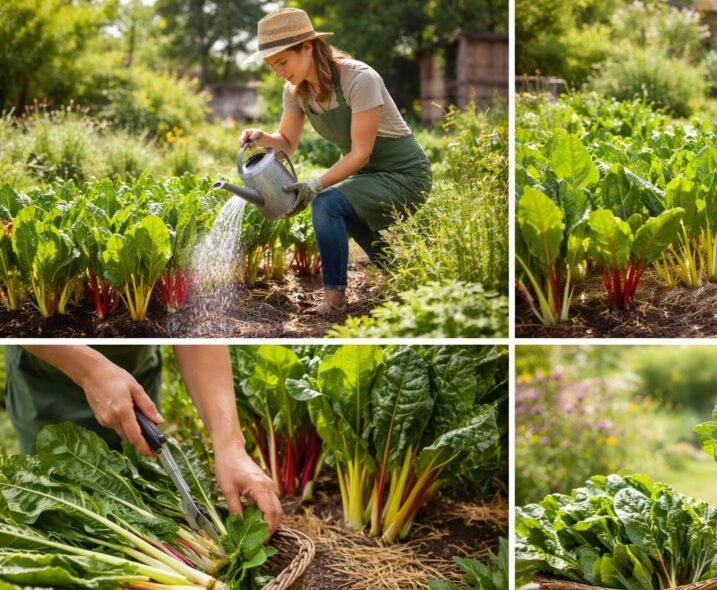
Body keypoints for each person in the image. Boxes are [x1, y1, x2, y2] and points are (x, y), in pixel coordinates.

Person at [239, 7, 432, 315]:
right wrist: (263, 138)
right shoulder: (296, 91)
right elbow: (287, 143)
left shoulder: (359, 78)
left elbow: (361, 153)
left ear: (307, 47)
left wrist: (315, 185)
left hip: (404, 174)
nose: (278, 71)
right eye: (272, 65)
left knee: (326, 202)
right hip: (368, 176)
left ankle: (334, 299)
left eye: (282, 62)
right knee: (341, 207)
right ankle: (403, 276)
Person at [4, 345, 283, 536]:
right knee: (65, 511)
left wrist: (230, 447)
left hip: (135, 383)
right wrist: (90, 371)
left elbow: (197, 337)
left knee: (142, 490)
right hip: (49, 382)